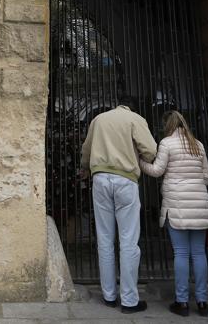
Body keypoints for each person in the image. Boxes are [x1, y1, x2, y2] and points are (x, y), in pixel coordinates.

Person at [80, 93, 157, 313]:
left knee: (104, 238)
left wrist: (85, 167)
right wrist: (140, 157)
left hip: (100, 179)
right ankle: (129, 300)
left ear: (117, 105)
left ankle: (109, 296)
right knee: (128, 241)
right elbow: (150, 151)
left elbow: (86, 150)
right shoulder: (135, 120)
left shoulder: (99, 120)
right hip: (126, 180)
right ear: (131, 108)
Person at [140, 110, 208, 317]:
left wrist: (139, 162)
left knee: (181, 253)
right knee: (199, 253)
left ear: (168, 125)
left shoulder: (166, 143)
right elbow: (207, 177)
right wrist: (193, 185)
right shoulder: (198, 144)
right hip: (199, 206)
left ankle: (182, 302)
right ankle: (202, 302)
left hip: (176, 205)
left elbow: (157, 170)